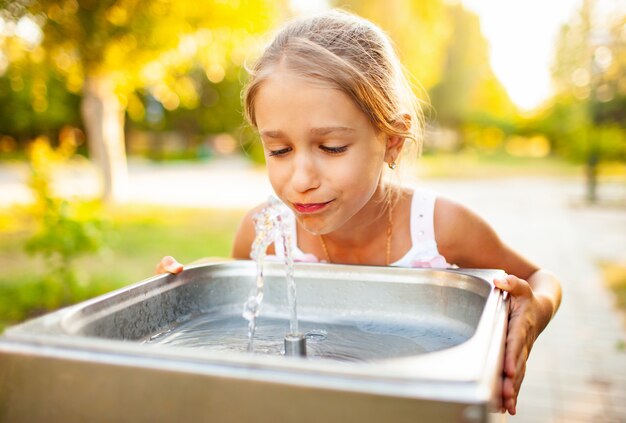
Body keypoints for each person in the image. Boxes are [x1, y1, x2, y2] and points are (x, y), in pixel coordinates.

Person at [156, 10, 562, 415]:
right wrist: (188, 287)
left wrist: (534, 314)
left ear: (390, 141)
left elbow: (539, 278)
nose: (301, 179)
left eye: (331, 147)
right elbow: (240, 302)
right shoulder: (264, 229)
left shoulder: (438, 228)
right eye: (279, 150)